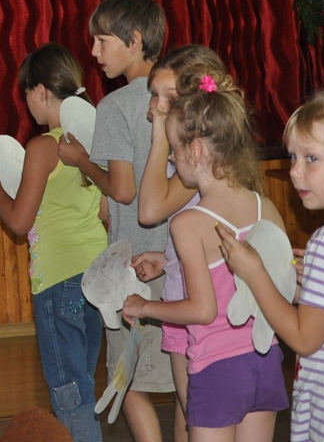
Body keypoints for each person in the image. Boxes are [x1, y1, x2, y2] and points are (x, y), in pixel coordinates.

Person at [122, 72, 288, 441]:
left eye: (173, 148)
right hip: (265, 360)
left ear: (196, 152)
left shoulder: (188, 223)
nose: (171, 157)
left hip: (218, 369)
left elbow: (202, 310)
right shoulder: (265, 206)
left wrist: (143, 306)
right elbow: (283, 285)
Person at [219, 91, 324, 441]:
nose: (294, 170)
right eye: (292, 156)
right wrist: (309, 290)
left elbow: (305, 339)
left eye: (311, 158)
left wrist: (255, 273)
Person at [0, 44, 107, 441]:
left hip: (59, 279)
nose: (26, 102)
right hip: (95, 273)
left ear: (42, 91)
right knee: (82, 382)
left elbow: (19, 222)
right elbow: (104, 211)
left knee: (70, 394)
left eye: (26, 93)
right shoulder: (90, 139)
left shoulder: (43, 147)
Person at [57, 0, 174, 441]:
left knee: (128, 380)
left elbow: (123, 190)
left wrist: (82, 161)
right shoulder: (181, 91)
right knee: (186, 376)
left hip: (138, 262)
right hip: (179, 255)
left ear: (135, 40)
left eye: (102, 41)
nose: (93, 51)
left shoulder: (114, 106)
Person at [132, 45, 227, 442]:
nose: (157, 107)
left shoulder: (198, 163)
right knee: (190, 418)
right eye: (154, 96)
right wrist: (168, 259)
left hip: (200, 309)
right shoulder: (202, 162)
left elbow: (149, 210)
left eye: (168, 98)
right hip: (189, 290)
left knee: (201, 418)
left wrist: (160, 136)